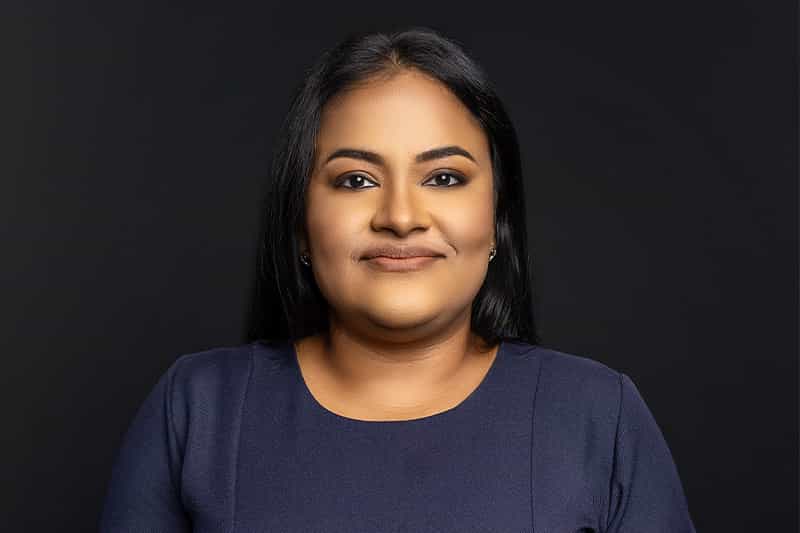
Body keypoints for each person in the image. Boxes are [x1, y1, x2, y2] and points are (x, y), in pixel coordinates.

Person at [99, 27, 696, 532]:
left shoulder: (598, 415)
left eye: (443, 178)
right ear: (301, 224)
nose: (401, 217)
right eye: (357, 180)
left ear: (496, 221)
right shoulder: (197, 409)